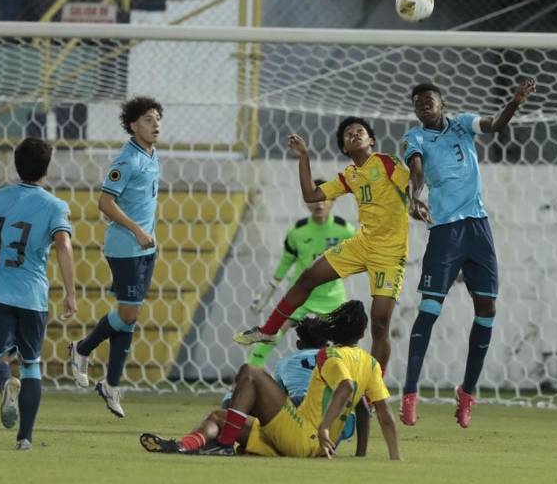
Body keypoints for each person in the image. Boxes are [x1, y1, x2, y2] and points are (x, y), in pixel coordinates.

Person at [399, 79, 535, 429]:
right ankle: (410, 393)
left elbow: (494, 125)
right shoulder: (414, 137)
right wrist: (415, 197)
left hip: (478, 227)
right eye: (417, 103)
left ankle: (467, 393)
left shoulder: (462, 124)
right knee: (430, 309)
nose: (423, 105)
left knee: (487, 308)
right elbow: (416, 170)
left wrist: (514, 102)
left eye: (428, 99)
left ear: (442, 103)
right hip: (445, 230)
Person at [234, 117, 410, 372]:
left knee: (380, 325)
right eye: (348, 133)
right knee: (307, 277)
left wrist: (417, 201)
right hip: (362, 244)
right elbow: (311, 195)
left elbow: (411, 184)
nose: (354, 134)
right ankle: (269, 330)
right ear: (344, 148)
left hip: (390, 254)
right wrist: (304, 157)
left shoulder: (386, 162)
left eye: (360, 131)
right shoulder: (350, 175)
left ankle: (374, 389)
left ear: (371, 140)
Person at [140, 300, 400, 460]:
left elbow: (345, 386)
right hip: (302, 441)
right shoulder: (371, 364)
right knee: (220, 417)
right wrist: (392, 458)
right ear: (362, 334)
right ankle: (183, 446)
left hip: (304, 434)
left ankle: (224, 445)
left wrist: (323, 428)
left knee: (251, 373)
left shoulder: (329, 355)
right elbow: (382, 414)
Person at [0, 138, 77, 450]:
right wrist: (70, 292)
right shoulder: (54, 206)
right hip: (32, 297)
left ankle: (6, 383)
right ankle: (25, 439)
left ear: (16, 166)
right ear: (47, 169)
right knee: (31, 364)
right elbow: (63, 245)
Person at [68, 97, 162, 418]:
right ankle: (82, 349)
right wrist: (137, 230)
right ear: (133, 125)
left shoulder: (152, 155)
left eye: (158, 118)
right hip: (125, 248)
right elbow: (105, 203)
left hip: (147, 248)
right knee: (129, 313)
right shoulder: (127, 161)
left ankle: (111, 383)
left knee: (129, 316)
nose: (156, 124)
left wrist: (148, 236)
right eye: (148, 119)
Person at [245, 178, 355, 367]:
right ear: (307, 202)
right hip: (301, 293)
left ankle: (355, 377)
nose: (319, 204)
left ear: (333, 200)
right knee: (273, 332)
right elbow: (285, 262)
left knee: (347, 341)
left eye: (325, 198)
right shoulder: (297, 231)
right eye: (315, 199)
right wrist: (267, 294)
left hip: (331, 296)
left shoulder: (345, 231)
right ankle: (250, 371)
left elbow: (356, 259)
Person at [221, 314, 369, 454]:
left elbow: (278, 401)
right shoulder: (338, 361)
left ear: (299, 344)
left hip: (300, 409)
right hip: (336, 421)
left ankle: (238, 440)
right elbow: (362, 407)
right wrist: (360, 453)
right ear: (327, 345)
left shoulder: (284, 363)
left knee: (234, 398)